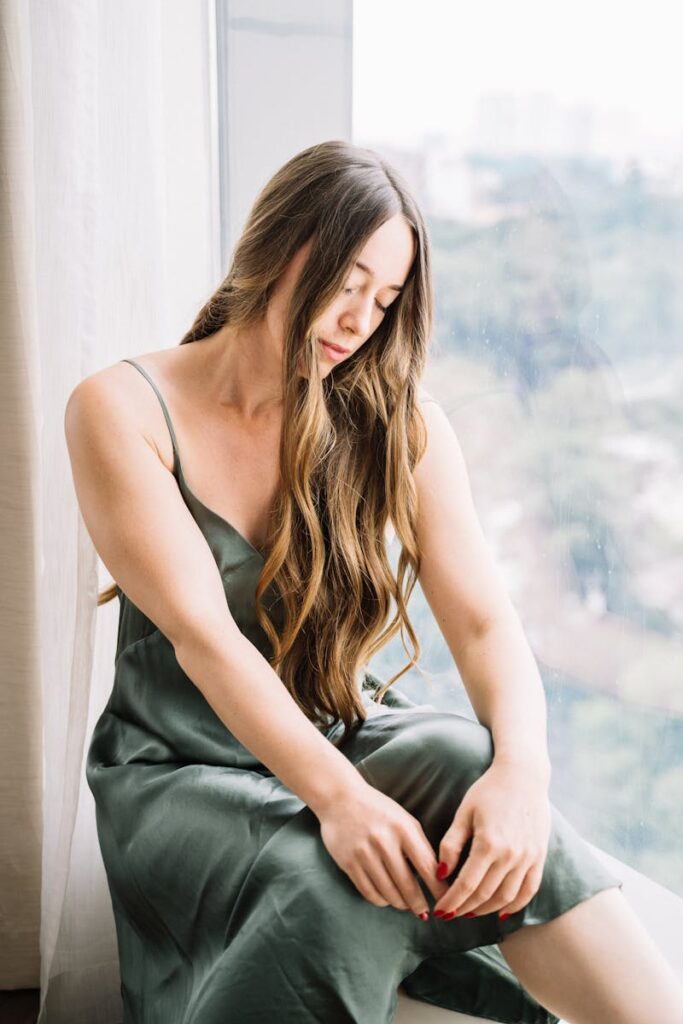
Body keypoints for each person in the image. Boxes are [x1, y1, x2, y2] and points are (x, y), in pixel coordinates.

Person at [64, 140, 683, 1024]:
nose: (359, 320)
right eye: (347, 283)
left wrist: (522, 775)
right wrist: (342, 801)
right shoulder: (120, 408)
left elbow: (483, 622)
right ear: (274, 250)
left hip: (331, 733)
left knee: (469, 759)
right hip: (175, 769)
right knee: (321, 872)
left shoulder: (395, 419)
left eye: (385, 299)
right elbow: (206, 641)